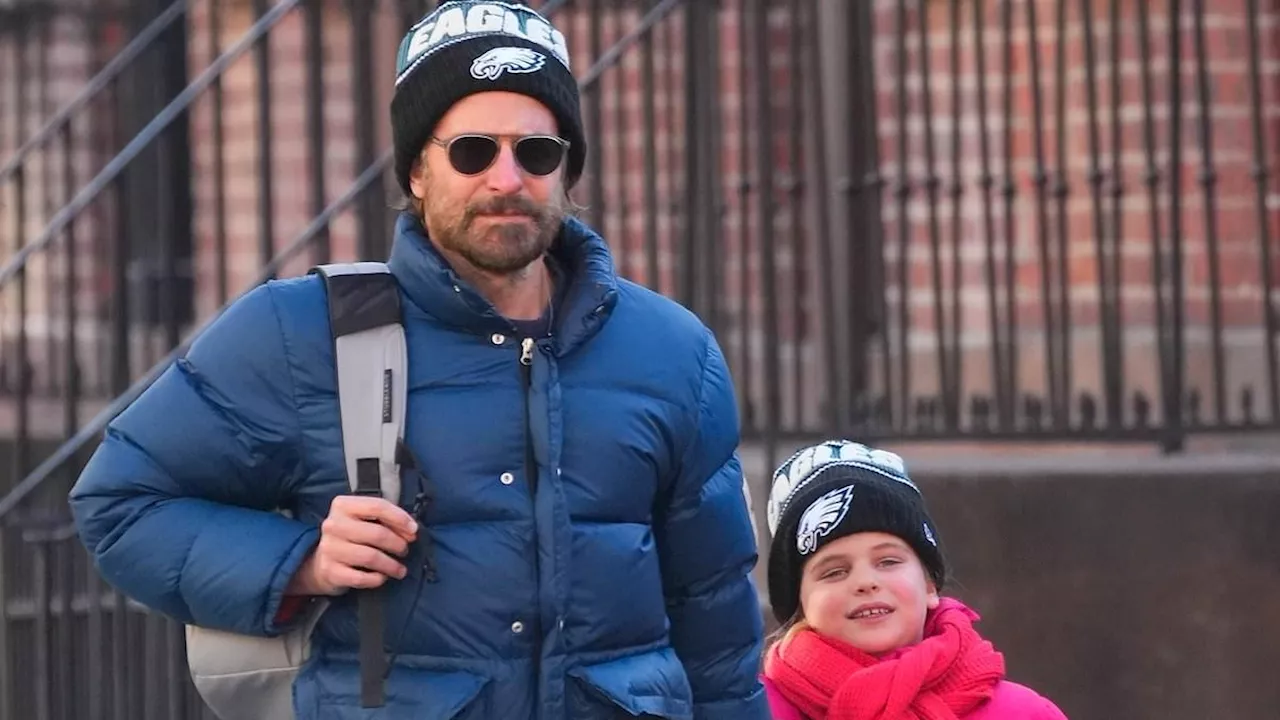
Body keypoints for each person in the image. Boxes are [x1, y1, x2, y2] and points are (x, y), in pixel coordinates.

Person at [68, 2, 769, 718]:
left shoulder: (673, 351)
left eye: (536, 152)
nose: (506, 179)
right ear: (417, 172)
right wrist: (301, 563)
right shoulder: (301, 333)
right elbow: (121, 504)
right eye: (472, 149)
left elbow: (715, 621)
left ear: (566, 172)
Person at [760, 440, 1069, 720]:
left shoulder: (1023, 713)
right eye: (834, 572)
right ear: (800, 602)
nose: (865, 582)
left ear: (929, 585)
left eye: (888, 561)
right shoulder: (756, 710)